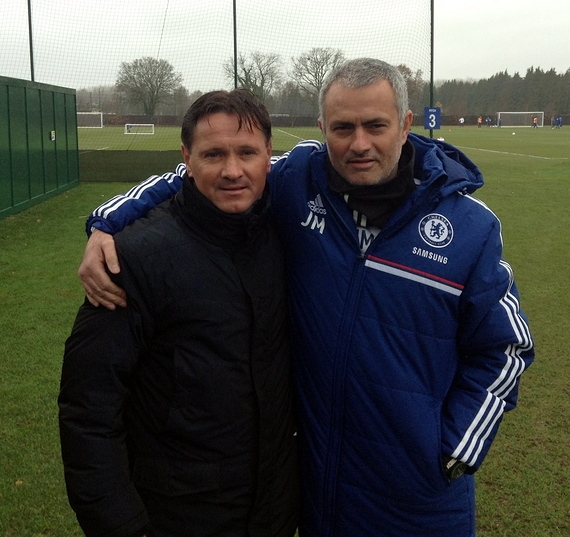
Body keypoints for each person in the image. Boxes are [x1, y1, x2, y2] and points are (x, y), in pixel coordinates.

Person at [79, 58, 534, 536]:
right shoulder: (298, 180)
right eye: (343, 128)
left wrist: (456, 447)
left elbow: (507, 347)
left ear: (404, 125)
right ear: (322, 128)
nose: (359, 143)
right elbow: (199, 171)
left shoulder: (470, 228)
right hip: (322, 492)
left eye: (375, 125)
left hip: (419, 502)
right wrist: (106, 222)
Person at [58, 89, 299, 537]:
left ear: (269, 155)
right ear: (187, 158)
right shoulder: (131, 261)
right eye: (213, 154)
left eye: (247, 153)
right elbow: (89, 410)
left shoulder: (288, 234)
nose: (232, 170)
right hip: (176, 515)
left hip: (274, 512)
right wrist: (122, 526)